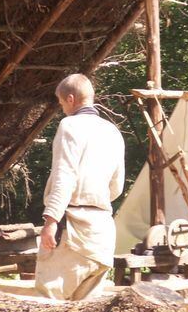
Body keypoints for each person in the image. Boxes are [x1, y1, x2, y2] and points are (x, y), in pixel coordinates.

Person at [35, 73, 125, 300]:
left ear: (71, 99)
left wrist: (51, 220)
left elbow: (64, 176)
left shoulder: (70, 125)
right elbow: (116, 187)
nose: (62, 108)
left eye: (61, 102)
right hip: (102, 231)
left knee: (49, 304)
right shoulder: (113, 132)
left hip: (73, 233)